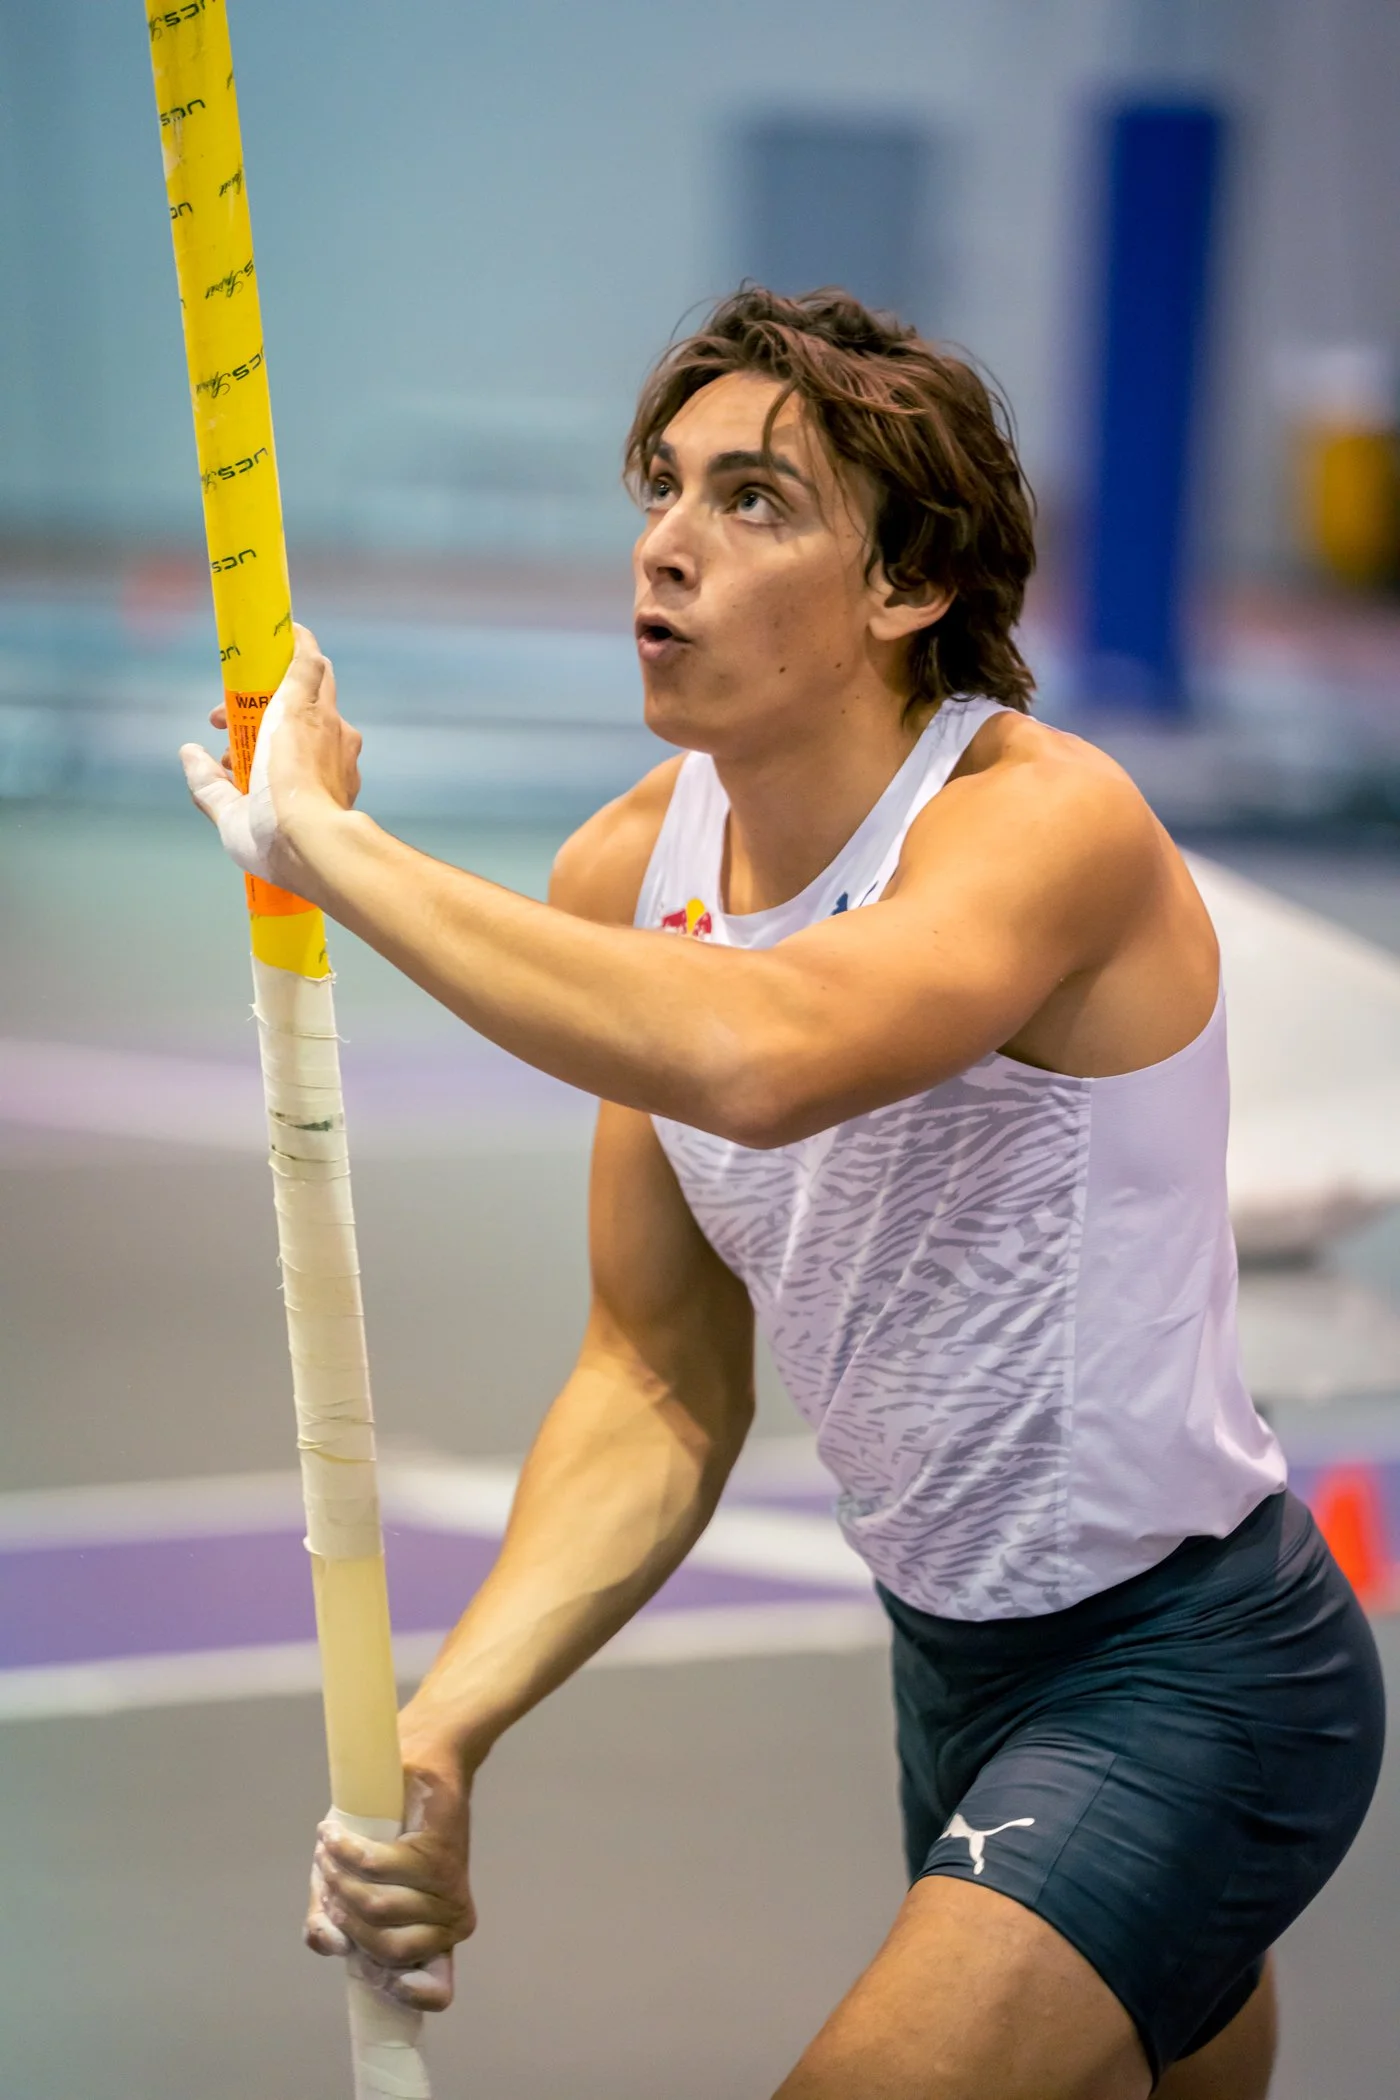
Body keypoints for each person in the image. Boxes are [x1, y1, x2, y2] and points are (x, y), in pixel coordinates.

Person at [182, 287, 1384, 2100]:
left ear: (910, 584)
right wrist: (447, 1725)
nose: (668, 542)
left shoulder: (1041, 824)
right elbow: (658, 1373)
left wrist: (334, 850)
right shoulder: (630, 870)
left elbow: (766, 1050)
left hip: (1189, 1671)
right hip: (955, 1681)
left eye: (754, 500)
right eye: (663, 487)